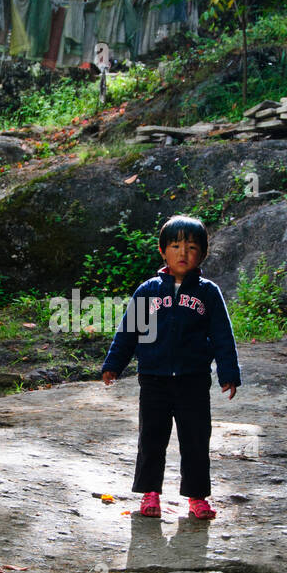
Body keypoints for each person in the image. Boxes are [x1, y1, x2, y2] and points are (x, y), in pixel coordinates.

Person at [101, 214, 241, 519]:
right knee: (152, 438)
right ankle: (150, 494)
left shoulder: (208, 292)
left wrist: (229, 373)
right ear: (163, 250)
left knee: (195, 440)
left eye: (191, 247)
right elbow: (128, 332)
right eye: (175, 245)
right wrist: (114, 363)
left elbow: (222, 335)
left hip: (193, 381)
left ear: (202, 253)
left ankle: (196, 497)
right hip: (154, 380)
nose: (183, 253)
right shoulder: (148, 290)